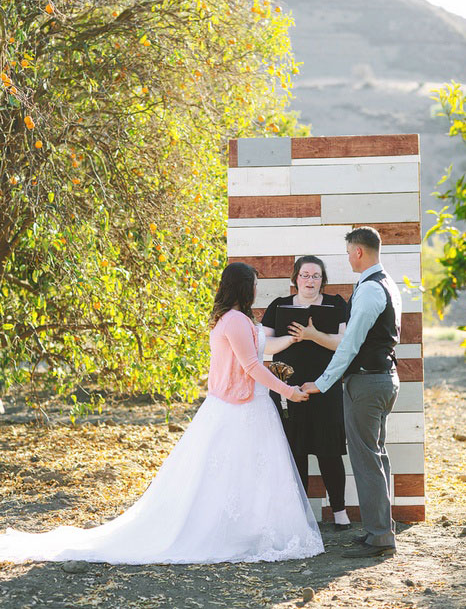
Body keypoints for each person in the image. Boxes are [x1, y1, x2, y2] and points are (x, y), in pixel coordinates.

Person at [0, 262, 324, 565]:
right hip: (239, 409)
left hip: (249, 406)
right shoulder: (236, 321)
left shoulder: (234, 319)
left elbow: (257, 354)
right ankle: (234, 532)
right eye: (253, 285)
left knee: (246, 472)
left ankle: (249, 529)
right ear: (244, 288)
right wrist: (289, 391)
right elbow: (251, 366)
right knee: (233, 471)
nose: (256, 289)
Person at [303, 227, 401, 558]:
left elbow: (350, 345)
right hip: (382, 380)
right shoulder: (386, 283)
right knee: (376, 457)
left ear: (358, 252)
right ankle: (381, 530)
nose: (347, 258)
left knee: (366, 460)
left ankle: (379, 536)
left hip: (368, 383)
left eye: (348, 252)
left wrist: (321, 382)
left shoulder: (372, 290)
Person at [262, 255, 351, 531]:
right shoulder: (278, 307)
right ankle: (300, 515)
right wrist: (292, 337)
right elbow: (265, 346)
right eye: (305, 275)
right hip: (288, 388)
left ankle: (339, 512)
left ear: (323, 280)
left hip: (326, 387)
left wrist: (311, 335)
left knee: (329, 452)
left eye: (316, 276)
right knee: (295, 450)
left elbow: (344, 344)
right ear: (295, 279)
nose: (310, 280)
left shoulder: (336, 305)